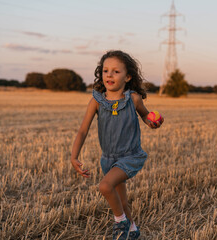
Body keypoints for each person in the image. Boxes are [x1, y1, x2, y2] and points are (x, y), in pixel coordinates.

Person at [70, 50, 163, 240]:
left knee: (105, 186)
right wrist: (74, 156)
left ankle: (120, 222)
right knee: (122, 200)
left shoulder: (133, 99)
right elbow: (82, 130)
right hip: (108, 158)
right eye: (105, 71)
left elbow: (145, 116)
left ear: (128, 76)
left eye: (115, 71)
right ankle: (132, 230)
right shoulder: (96, 101)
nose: (109, 75)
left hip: (130, 156)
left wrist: (152, 122)